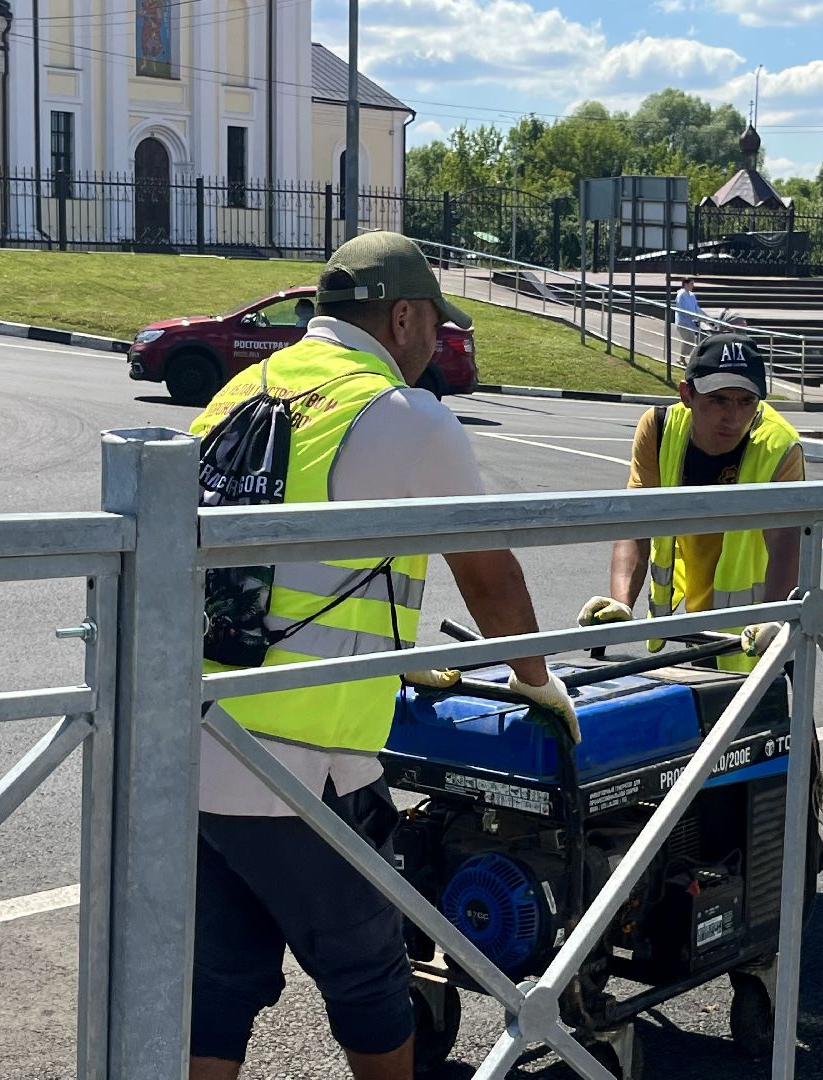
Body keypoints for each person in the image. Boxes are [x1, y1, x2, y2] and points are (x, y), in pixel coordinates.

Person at [187, 232, 577, 1080]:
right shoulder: (404, 415)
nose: (436, 345)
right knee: (370, 974)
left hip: (194, 743)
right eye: (434, 325)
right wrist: (537, 681)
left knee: (217, 979)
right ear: (402, 316)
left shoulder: (239, 392)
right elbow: (486, 569)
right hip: (304, 764)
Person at [577, 331, 803, 669]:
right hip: (697, 620)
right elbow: (637, 523)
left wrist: (774, 617)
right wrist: (620, 603)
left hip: (756, 632)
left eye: (746, 401)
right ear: (687, 394)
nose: (734, 417)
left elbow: (786, 543)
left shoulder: (780, 446)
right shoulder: (658, 428)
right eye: (719, 400)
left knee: (768, 717)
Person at [674, 277, 704, 356]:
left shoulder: (692, 295)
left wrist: (706, 317)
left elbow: (696, 308)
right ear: (685, 284)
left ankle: (682, 357)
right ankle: (682, 357)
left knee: (690, 341)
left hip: (691, 322)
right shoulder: (681, 295)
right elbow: (683, 308)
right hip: (683, 322)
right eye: (691, 284)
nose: (692, 286)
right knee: (689, 340)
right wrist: (695, 317)